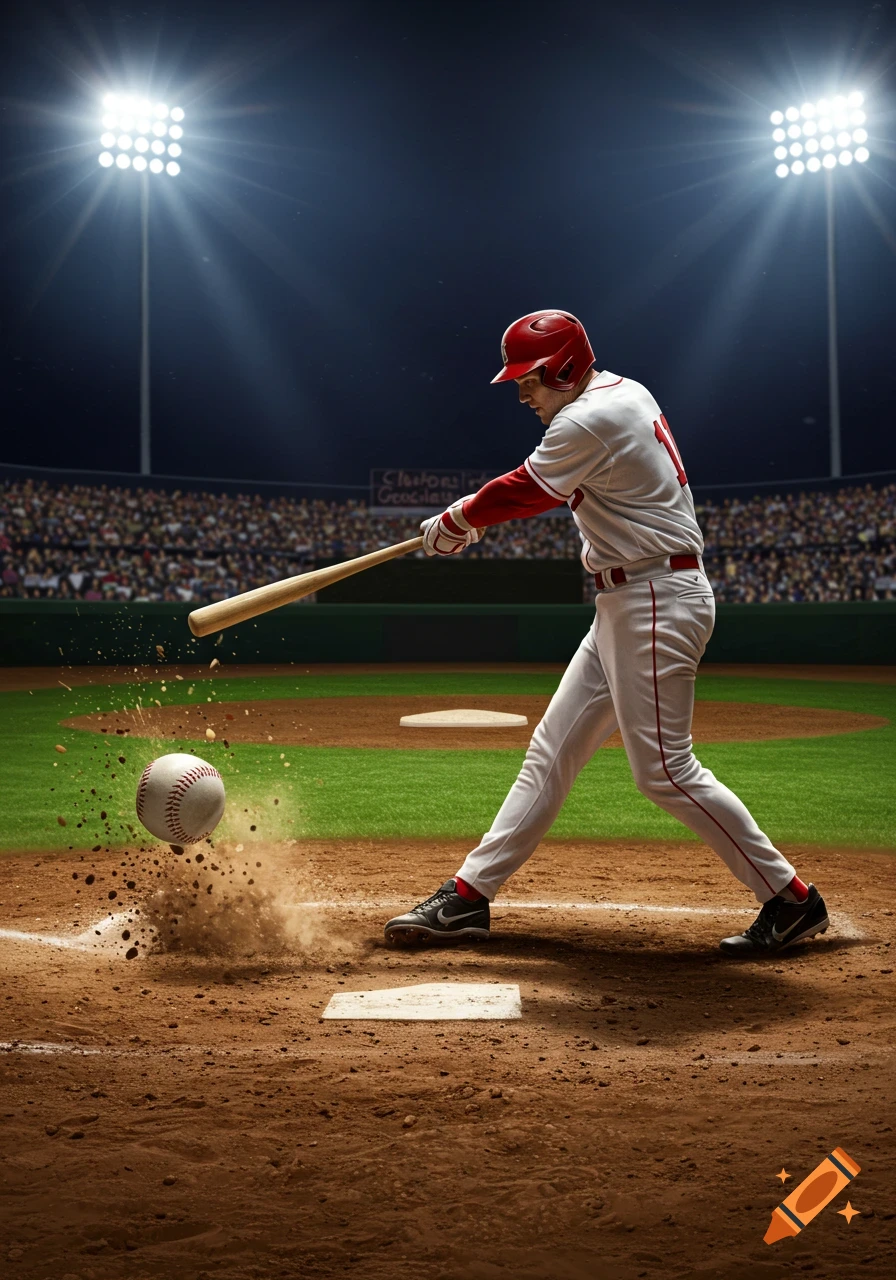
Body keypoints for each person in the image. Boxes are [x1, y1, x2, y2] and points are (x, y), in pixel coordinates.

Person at [384, 310, 829, 957]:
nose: (521, 393)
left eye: (529, 379)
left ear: (564, 367)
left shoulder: (588, 417)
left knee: (666, 772)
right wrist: (471, 520)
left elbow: (525, 489)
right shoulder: (621, 392)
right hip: (629, 600)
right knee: (553, 748)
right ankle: (469, 897)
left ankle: (791, 901)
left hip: (655, 597)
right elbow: (533, 488)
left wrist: (457, 519)